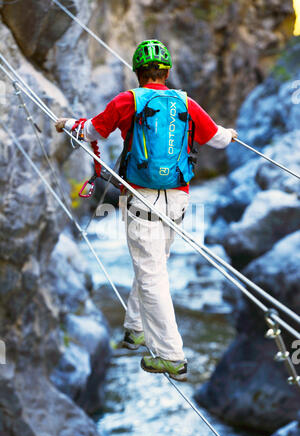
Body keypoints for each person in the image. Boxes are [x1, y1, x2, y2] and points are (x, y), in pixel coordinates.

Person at [55, 39, 237, 382]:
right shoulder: (186, 102)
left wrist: (67, 124)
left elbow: (93, 130)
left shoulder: (129, 100)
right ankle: (136, 328)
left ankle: (171, 355)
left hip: (142, 199)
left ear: (137, 72)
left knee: (151, 274)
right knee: (153, 265)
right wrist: (230, 133)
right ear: (166, 72)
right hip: (179, 200)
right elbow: (217, 139)